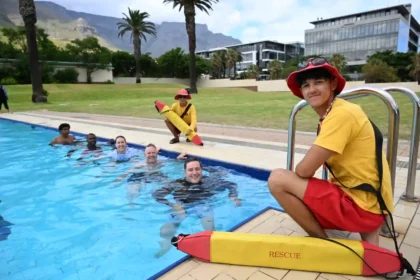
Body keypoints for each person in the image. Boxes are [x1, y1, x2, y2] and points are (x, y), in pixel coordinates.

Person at [267, 57, 394, 246]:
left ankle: (325, 244)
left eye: (319, 82)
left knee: (278, 179)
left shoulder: (340, 115)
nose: (312, 90)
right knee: (311, 187)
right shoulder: (342, 110)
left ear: (333, 84)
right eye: (306, 85)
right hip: (375, 204)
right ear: (301, 91)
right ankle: (369, 243)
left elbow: (304, 171)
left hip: (363, 208)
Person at [152, 157, 242, 257]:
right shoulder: (177, 184)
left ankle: (214, 245)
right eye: (190, 170)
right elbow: (157, 195)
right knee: (165, 232)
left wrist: (233, 196)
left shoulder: (209, 181)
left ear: (201, 169)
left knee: (208, 224)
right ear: (185, 172)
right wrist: (173, 205)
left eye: (197, 169)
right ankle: (166, 245)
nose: (194, 173)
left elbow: (231, 185)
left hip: (202, 204)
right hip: (182, 206)